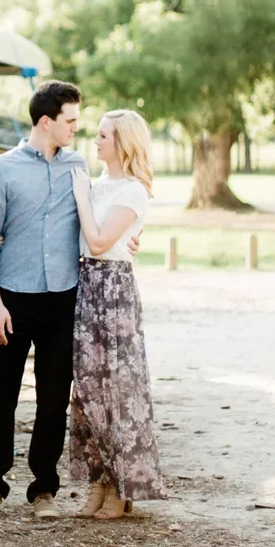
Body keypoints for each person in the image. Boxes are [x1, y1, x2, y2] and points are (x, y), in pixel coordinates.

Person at [0, 80, 86, 520]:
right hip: (12, 300)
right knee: (1, 396)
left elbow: (96, 221)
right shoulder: (1, 170)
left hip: (62, 301)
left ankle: (44, 490)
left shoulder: (78, 165)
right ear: (46, 121)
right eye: (70, 120)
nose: (76, 128)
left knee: (54, 398)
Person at [68, 109, 167, 518]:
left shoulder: (133, 190)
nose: (95, 140)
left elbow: (99, 241)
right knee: (88, 392)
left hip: (113, 289)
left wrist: (80, 197)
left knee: (118, 391)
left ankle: (120, 487)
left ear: (122, 142)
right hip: (87, 286)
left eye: (103, 135)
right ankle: (99, 481)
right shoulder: (101, 184)